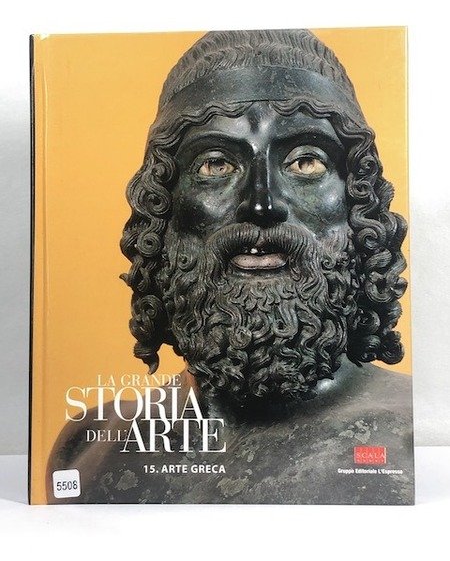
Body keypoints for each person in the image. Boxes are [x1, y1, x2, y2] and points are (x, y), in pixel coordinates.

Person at [47, 30, 413, 504]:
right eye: (215, 164)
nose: (262, 205)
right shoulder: (87, 449)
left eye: (305, 162)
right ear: (163, 211)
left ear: (357, 206)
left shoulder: (413, 446)